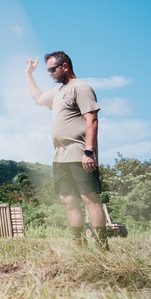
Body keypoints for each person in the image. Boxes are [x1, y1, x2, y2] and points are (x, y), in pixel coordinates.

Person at [26, 51, 107, 248]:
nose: (51, 73)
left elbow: (92, 119)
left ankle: (101, 245)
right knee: (67, 199)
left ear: (65, 67)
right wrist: (29, 74)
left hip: (79, 152)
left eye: (53, 69)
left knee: (89, 197)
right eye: (48, 71)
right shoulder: (59, 91)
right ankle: (79, 244)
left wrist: (89, 152)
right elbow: (38, 99)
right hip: (60, 155)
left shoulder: (81, 88)